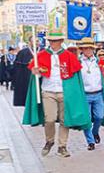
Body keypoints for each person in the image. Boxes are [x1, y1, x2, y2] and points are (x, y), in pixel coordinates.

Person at [23, 28, 91, 158]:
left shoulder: (69, 56)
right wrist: (36, 73)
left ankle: (62, 146)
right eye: (50, 40)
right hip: (48, 91)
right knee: (49, 119)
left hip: (64, 92)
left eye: (55, 40)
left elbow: (75, 76)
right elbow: (36, 75)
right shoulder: (41, 55)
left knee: (64, 121)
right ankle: (49, 141)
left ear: (60, 41)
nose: (52, 43)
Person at [77, 37, 104, 151]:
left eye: (90, 48)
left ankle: (95, 132)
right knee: (87, 119)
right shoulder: (78, 62)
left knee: (100, 116)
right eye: (85, 48)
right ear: (82, 49)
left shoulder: (99, 62)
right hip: (85, 94)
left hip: (98, 93)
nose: (88, 50)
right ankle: (90, 141)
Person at [12, 41, 34, 106]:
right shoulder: (22, 52)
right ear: (30, 42)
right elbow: (17, 66)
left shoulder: (42, 51)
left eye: (38, 41)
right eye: (35, 41)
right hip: (26, 75)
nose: (37, 42)